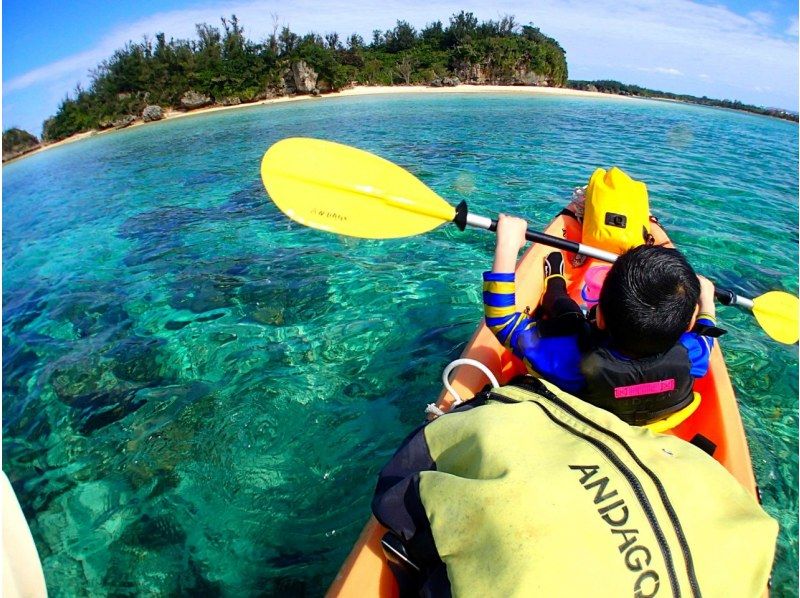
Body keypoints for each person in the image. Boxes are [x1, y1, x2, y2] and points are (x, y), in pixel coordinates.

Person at [482, 214, 720, 425]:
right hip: (655, 422)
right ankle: (556, 283)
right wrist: (707, 301)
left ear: (601, 318)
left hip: (584, 419)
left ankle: (556, 280)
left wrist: (508, 245)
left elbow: (501, 320)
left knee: (570, 318)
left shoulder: (571, 360)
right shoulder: (692, 354)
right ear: (683, 325)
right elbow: (706, 332)